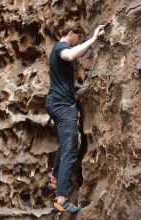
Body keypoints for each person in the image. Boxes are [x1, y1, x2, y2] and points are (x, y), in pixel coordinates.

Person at [45, 21, 105, 214]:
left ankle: (54, 180)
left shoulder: (58, 47)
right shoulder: (62, 47)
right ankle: (61, 199)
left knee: (65, 145)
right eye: (78, 38)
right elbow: (69, 54)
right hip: (62, 106)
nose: (76, 42)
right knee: (71, 150)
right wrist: (94, 39)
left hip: (56, 102)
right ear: (71, 32)